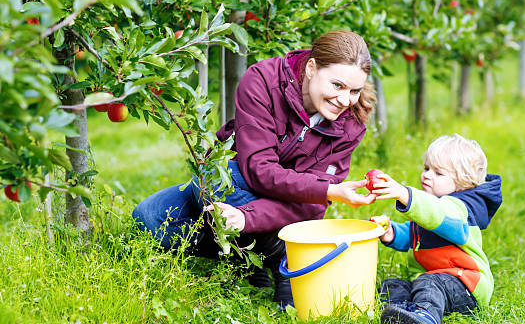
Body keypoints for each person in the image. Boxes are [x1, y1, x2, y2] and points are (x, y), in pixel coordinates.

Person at [132, 30, 377, 308]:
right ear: (311, 68)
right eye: (337, 86)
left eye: (354, 91)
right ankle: (260, 255)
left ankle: (269, 255)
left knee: (215, 186)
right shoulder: (263, 80)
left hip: (281, 210)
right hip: (239, 183)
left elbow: (309, 207)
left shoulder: (350, 124)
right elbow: (258, 169)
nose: (345, 100)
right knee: (150, 218)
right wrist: (328, 191)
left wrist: (248, 218)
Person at [369, 134, 502, 324]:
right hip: (432, 281)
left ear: (462, 182)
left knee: (428, 284)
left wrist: (406, 195)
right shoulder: (433, 208)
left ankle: (425, 318)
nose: (427, 175)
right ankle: (399, 314)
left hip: (466, 284)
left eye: (439, 173)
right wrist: (392, 232)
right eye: (426, 168)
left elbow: (437, 215)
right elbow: (416, 233)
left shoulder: (459, 209)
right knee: (393, 285)